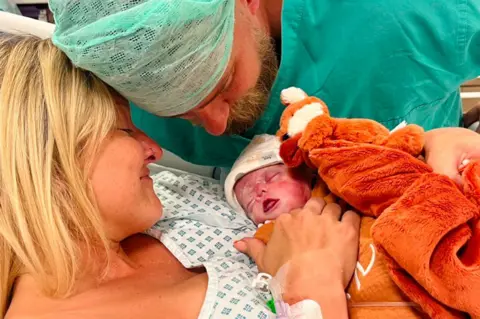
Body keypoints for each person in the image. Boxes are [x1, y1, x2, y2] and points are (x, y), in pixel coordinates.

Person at [0, 33, 361, 319]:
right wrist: (311, 290)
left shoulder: (163, 194)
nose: (154, 150)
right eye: (125, 130)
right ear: (51, 162)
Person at [48, 0, 480, 177]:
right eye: (181, 113)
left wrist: (458, 145)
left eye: (223, 85)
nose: (216, 129)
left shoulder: (420, 13)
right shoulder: (107, 82)